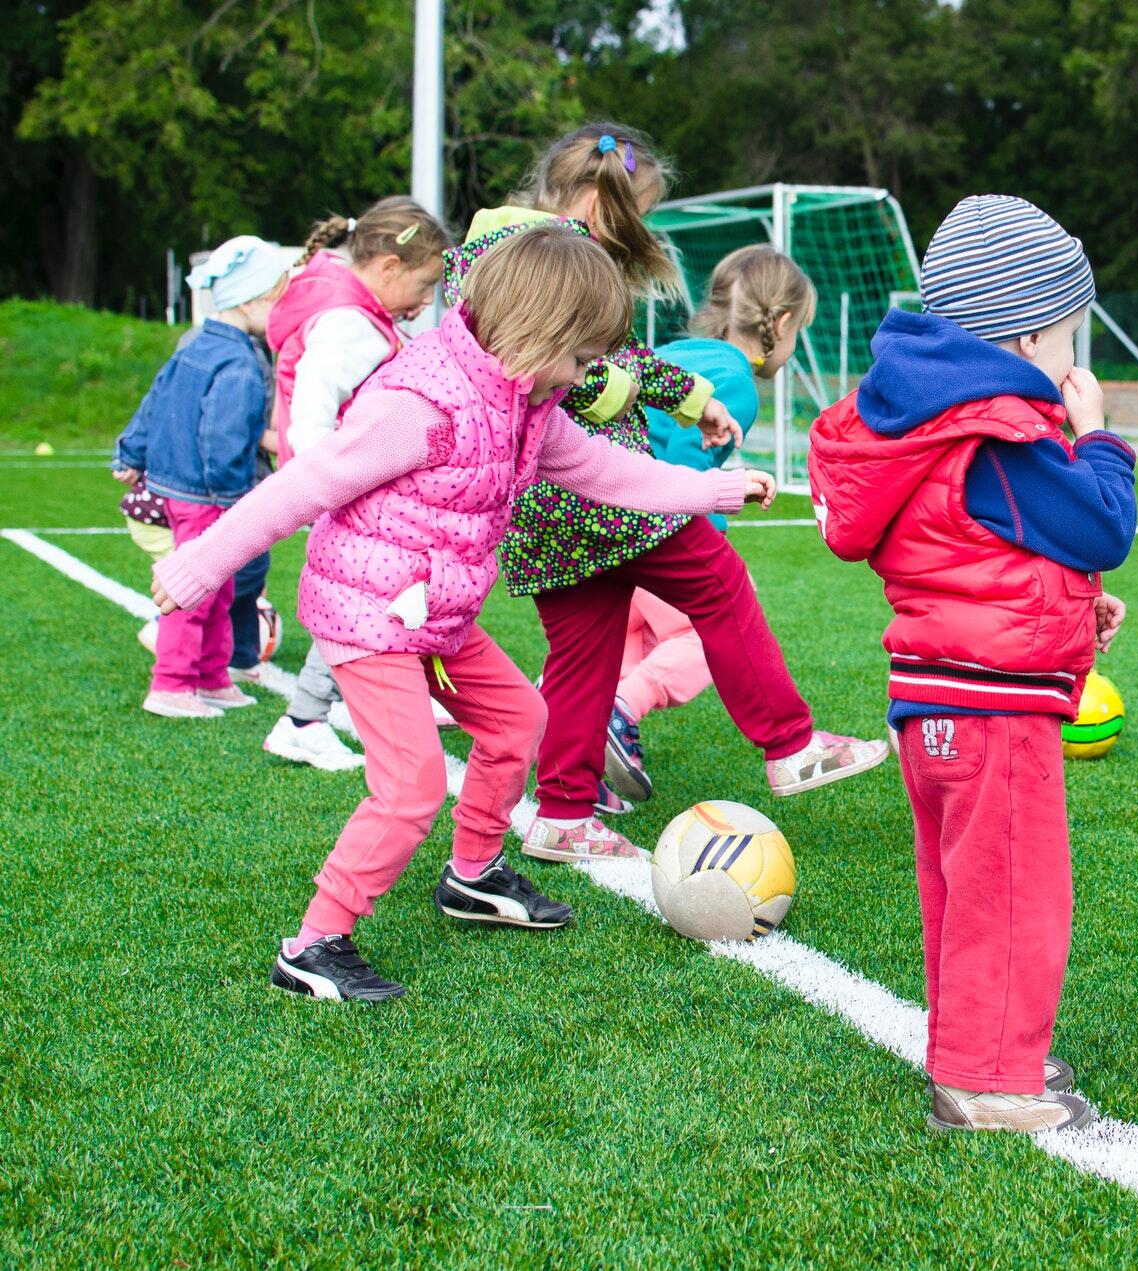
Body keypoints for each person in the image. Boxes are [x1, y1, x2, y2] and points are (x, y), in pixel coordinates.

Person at [148, 224, 776, 1003]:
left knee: (520, 719)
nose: (587, 377)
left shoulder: (527, 400)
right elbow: (304, 485)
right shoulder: (421, 402)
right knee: (410, 785)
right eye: (582, 359)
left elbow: (605, 471)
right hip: (369, 615)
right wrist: (200, 564)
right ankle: (312, 944)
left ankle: (473, 875)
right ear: (538, 333)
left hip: (435, 616)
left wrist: (715, 489)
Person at [442, 123, 885, 865]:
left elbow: (618, 355)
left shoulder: (499, 248)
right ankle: (790, 743)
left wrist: (692, 399)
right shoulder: (539, 257)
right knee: (719, 582)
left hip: (542, 508)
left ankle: (562, 812)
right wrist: (635, 401)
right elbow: (568, 372)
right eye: (634, 214)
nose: (636, 233)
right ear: (593, 199)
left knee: (586, 651)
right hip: (598, 490)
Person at [809, 195, 1138, 1133]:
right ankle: (987, 1079)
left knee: (964, 891)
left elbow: (974, 552)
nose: (1076, 359)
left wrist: (1075, 609)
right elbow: (1102, 523)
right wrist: (1099, 435)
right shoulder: (999, 431)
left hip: (937, 699)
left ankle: (979, 1044)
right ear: (1029, 332)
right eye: (1072, 334)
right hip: (992, 712)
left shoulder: (929, 421)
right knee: (1013, 893)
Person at [601, 245, 818, 807]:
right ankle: (621, 712)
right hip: (647, 525)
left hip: (597, 519)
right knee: (703, 632)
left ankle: (578, 743)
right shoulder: (737, 384)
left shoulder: (677, 352)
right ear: (783, 323)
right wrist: (706, 544)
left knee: (622, 638)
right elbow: (683, 464)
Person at [259, 196, 455, 772]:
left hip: (347, 487)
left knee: (375, 598)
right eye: (424, 286)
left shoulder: (353, 310)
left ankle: (322, 711)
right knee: (367, 602)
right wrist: (332, 484)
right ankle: (304, 719)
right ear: (389, 269)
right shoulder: (350, 325)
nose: (425, 305)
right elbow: (313, 415)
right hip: (347, 490)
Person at [114, 236, 289, 719]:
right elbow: (223, 435)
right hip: (208, 494)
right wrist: (235, 499)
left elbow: (155, 397)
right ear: (253, 301)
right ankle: (171, 683)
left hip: (185, 486)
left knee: (221, 587)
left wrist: (131, 449)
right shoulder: (239, 362)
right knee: (195, 588)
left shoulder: (198, 342)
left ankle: (212, 676)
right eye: (279, 298)